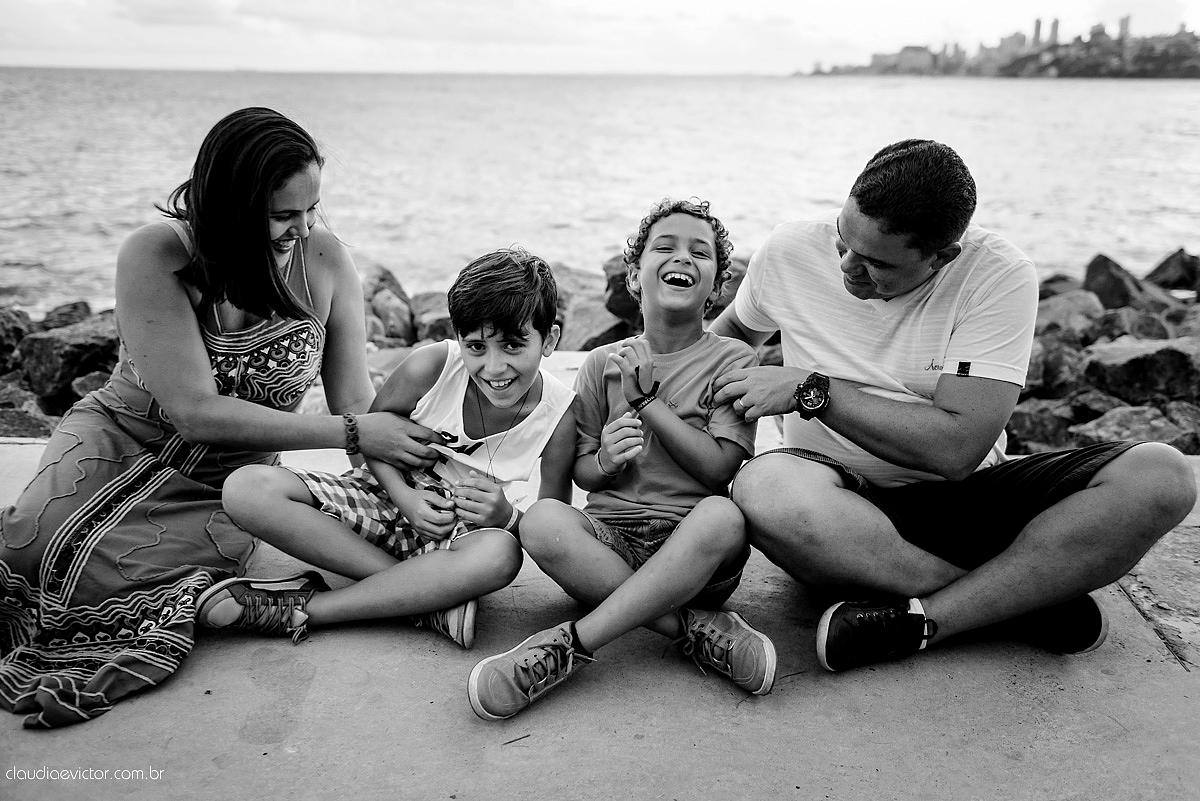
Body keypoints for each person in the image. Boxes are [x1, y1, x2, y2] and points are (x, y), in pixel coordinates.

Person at [0, 107, 442, 728]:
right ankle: (253, 605)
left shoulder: (327, 263)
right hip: (120, 435)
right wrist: (348, 432)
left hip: (228, 475)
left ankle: (379, 595)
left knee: (131, 570)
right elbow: (194, 413)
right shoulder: (156, 254)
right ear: (231, 205)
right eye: (283, 215)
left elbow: (355, 406)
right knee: (33, 553)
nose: (303, 229)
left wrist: (400, 481)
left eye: (311, 210)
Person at [709, 139, 1197, 673]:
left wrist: (813, 391)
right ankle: (1011, 604)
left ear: (944, 256)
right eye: (843, 243)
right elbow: (733, 333)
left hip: (964, 497)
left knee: (1163, 476)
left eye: (876, 264)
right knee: (762, 486)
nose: (848, 268)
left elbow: (957, 450)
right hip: (835, 513)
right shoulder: (791, 249)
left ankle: (925, 618)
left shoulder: (997, 276)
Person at [467, 199, 776, 722]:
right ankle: (690, 629)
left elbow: (721, 470)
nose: (683, 257)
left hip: (692, 552)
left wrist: (649, 404)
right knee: (541, 520)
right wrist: (607, 460)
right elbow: (583, 472)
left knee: (725, 515)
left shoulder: (733, 359)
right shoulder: (599, 364)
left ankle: (569, 645)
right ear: (634, 275)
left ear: (718, 284)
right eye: (666, 246)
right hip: (612, 542)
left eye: (700, 252)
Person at [198, 249, 576, 650]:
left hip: (454, 537)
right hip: (379, 499)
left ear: (549, 339)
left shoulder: (558, 415)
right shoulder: (431, 367)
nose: (494, 368)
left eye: (513, 346)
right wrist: (405, 497)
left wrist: (506, 517)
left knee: (501, 554)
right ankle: (422, 599)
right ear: (458, 337)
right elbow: (370, 440)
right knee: (246, 489)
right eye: (477, 347)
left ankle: (314, 609)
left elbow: (551, 530)